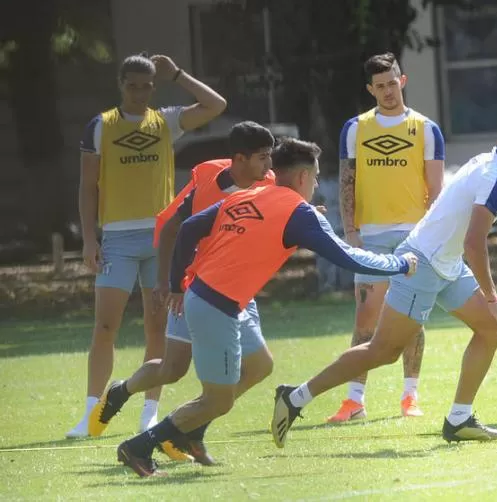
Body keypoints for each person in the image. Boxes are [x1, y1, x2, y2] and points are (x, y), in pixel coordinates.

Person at [116, 138, 417, 477]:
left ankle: (192, 435)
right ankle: (138, 447)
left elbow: (189, 227)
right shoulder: (298, 212)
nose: (316, 184)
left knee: (260, 364)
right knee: (219, 400)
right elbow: (348, 256)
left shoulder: (250, 194)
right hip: (216, 305)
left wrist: (177, 283)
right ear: (302, 178)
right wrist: (399, 263)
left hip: (210, 297)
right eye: (315, 178)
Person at [272, 114, 497, 447]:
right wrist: (492, 297)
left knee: (491, 328)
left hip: (446, 263)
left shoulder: (490, 162)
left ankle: (459, 419)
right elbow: (474, 242)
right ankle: (295, 397)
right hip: (424, 263)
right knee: (382, 351)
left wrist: (490, 303)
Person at [87, 122, 276, 465]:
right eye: (263, 158)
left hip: (232, 290)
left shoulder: (268, 184)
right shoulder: (207, 182)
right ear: (239, 158)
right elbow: (172, 225)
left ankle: (187, 428)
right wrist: (167, 283)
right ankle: (127, 393)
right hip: (194, 287)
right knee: (173, 369)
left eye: (270, 157)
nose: (269, 166)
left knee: (259, 365)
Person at [70, 53, 227, 438]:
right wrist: (91, 239)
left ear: (154, 87)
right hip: (118, 241)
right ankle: (92, 416)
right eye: (132, 85)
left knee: (157, 330)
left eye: (147, 85)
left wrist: (178, 74)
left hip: (162, 239)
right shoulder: (99, 126)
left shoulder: (167, 121)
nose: (139, 92)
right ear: (120, 84)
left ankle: (149, 414)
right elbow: (88, 187)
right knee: (105, 326)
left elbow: (216, 105)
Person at [331, 52, 445, 422]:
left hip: (414, 238)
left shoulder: (426, 129)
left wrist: (431, 236)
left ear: (403, 81)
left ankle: (410, 396)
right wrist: (350, 232)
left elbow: (436, 190)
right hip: (369, 238)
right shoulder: (355, 128)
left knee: (412, 318)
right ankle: (354, 401)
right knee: (365, 318)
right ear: (370, 89)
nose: (387, 91)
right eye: (379, 86)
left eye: (392, 83)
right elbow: (347, 182)